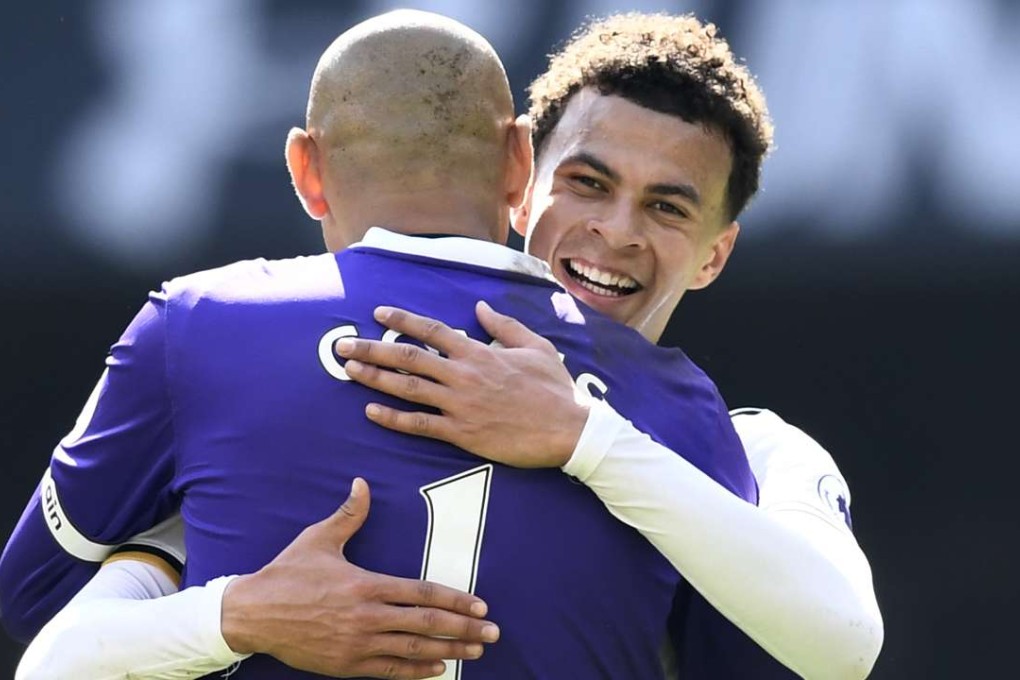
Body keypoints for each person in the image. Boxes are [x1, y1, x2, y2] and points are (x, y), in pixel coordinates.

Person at [1, 10, 786, 680]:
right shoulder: (678, 407)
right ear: (522, 163)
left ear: (304, 169)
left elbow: (34, 598)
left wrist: (202, 582)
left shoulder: (199, 323)